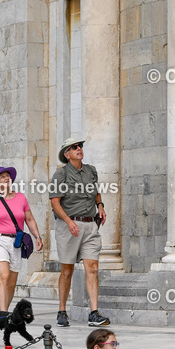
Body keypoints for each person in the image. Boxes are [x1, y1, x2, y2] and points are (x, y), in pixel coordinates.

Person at [50, 135, 110, 328]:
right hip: (69, 225)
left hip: (90, 224)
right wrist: (68, 221)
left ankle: (94, 312)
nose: (79, 149)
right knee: (67, 269)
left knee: (92, 267)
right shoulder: (61, 175)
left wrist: (100, 205)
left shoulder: (91, 171)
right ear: (67, 154)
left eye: (80, 146)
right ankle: (62, 311)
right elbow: (55, 202)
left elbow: (96, 191)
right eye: (75, 147)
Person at [0, 166, 43, 315]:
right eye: (2, 176)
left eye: (7, 176)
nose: (6, 178)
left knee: (11, 281)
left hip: (15, 242)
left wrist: (37, 236)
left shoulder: (21, 198)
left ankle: (4, 310)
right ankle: (3, 313)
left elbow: (29, 219)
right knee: (3, 276)